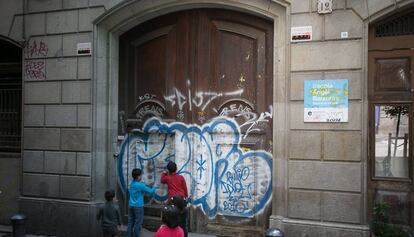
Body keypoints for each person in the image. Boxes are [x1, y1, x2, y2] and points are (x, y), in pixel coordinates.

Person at [127, 168, 157, 237]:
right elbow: (150, 191)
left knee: (130, 222)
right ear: (138, 177)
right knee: (138, 223)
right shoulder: (140, 185)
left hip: (130, 205)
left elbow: (141, 189)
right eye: (141, 175)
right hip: (138, 207)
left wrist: (148, 186)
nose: (141, 177)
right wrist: (154, 186)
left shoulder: (132, 184)